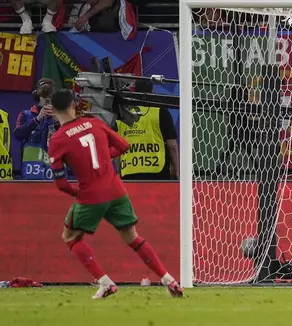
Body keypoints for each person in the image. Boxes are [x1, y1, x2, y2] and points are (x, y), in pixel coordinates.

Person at [48, 89, 183, 299]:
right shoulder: (95, 123)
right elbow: (123, 145)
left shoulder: (57, 139)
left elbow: (61, 184)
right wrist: (104, 157)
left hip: (91, 194)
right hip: (117, 190)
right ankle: (168, 280)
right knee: (133, 238)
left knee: (70, 237)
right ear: (74, 105)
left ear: (53, 110)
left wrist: (78, 191)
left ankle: (105, 282)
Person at [115, 79, 179, 180]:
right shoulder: (160, 111)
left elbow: (117, 148)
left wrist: (118, 172)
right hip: (157, 173)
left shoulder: (123, 115)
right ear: (152, 92)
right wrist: (176, 171)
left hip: (129, 172)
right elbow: (172, 147)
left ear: (134, 92)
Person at [14, 78, 58, 180]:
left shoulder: (61, 116)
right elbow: (17, 135)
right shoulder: (26, 114)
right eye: (44, 97)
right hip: (31, 173)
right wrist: (37, 119)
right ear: (37, 96)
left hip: (55, 174)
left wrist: (57, 121)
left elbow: (72, 139)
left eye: (50, 97)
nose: (47, 100)